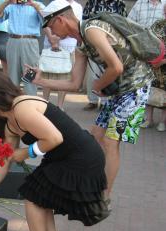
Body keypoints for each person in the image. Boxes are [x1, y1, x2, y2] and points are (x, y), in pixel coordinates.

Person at [0, 70, 109, 231]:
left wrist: (25, 153)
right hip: (64, 157)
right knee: (40, 196)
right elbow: (5, 161)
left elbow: (54, 138)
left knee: (32, 196)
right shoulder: (9, 124)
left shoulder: (22, 107)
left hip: (80, 158)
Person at [28, 0, 154, 201]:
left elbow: (116, 67)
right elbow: (74, 84)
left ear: (60, 19)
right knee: (96, 135)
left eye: (51, 26)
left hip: (137, 87)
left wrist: (98, 86)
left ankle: (103, 197)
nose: (51, 32)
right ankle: (93, 181)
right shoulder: (80, 45)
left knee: (110, 142)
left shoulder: (93, 30)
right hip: (118, 90)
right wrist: (41, 80)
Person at [82, 0, 127, 111]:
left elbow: (124, 22)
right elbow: (84, 20)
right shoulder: (92, 2)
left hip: (112, 43)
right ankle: (92, 100)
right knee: (93, 73)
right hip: (94, 42)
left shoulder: (119, 3)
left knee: (109, 71)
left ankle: (105, 101)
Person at [127, 0, 166, 129]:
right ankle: (148, 119)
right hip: (149, 58)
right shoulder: (156, 23)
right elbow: (130, 24)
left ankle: (163, 122)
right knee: (148, 88)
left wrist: (162, 61)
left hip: (164, 63)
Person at [0, 0, 44, 95]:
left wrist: (35, 5)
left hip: (30, 41)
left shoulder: (38, 5)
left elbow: (47, 20)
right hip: (13, 40)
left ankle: (30, 102)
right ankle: (13, 103)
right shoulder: (11, 5)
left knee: (31, 74)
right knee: (12, 75)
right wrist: (7, 2)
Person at [42, 0, 82, 110]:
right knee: (47, 74)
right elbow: (46, 22)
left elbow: (75, 25)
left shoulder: (78, 7)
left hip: (69, 47)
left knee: (66, 76)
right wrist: (52, 37)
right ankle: (45, 103)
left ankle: (60, 106)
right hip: (51, 45)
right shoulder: (56, 3)